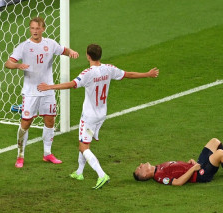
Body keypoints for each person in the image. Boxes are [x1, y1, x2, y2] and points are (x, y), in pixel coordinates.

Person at [38, 43, 159, 189]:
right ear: (100, 55)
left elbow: (71, 84)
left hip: (89, 117)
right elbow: (128, 74)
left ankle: (102, 175)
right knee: (85, 142)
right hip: (101, 115)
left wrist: (49, 87)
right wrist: (147, 74)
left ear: (88, 56)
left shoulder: (87, 73)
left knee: (83, 147)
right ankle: (79, 172)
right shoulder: (109, 69)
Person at [5, 16, 79, 168]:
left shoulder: (50, 44)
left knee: (50, 120)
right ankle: (20, 155)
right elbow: (8, 63)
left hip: (48, 90)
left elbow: (63, 50)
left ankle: (47, 153)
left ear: (43, 29)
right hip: (30, 92)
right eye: (32, 28)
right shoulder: (24, 46)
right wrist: (17, 65)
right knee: (26, 122)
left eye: (37, 28)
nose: (35, 31)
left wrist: (71, 52)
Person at [133, 138, 223, 186]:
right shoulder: (159, 177)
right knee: (221, 154)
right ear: (144, 175)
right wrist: (192, 169)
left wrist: (189, 164)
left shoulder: (158, 167)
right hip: (200, 174)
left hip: (195, 166)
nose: (140, 165)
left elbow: (177, 169)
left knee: (215, 141)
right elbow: (177, 183)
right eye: (139, 168)